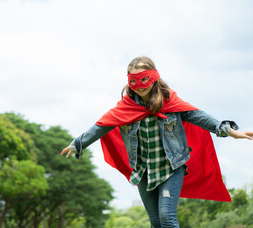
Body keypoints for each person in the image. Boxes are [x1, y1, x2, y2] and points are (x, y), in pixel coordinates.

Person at [61, 56, 253, 228]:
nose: (140, 84)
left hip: (171, 167)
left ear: (154, 77)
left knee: (167, 216)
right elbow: (101, 126)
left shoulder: (171, 103)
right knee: (155, 222)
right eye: (134, 80)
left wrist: (230, 131)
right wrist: (78, 144)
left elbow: (199, 116)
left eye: (144, 78)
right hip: (142, 170)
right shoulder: (125, 107)